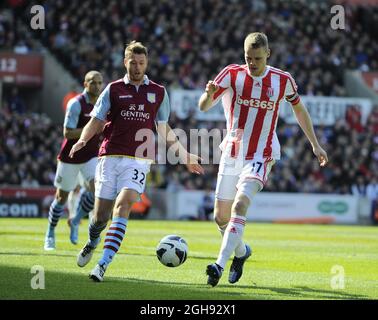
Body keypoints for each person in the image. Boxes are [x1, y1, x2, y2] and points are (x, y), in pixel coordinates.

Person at [198, 32, 328, 286]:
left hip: (262, 153)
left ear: (268, 54)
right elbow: (203, 106)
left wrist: (315, 144)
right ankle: (242, 252)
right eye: (248, 58)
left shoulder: (282, 80)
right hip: (232, 152)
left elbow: (299, 108)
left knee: (239, 207)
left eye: (257, 58)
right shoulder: (231, 74)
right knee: (220, 217)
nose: (252, 63)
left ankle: (218, 265)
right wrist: (209, 94)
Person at [69, 41, 203, 282]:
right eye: (133, 62)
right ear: (125, 62)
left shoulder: (159, 92)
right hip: (109, 157)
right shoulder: (113, 89)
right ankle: (92, 241)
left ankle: (102, 264)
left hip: (138, 160)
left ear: (147, 63)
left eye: (141, 63)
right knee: (100, 217)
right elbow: (97, 121)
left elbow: (163, 129)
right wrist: (82, 140)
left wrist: (184, 155)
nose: (137, 67)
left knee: (124, 204)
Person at [43, 70, 103, 250]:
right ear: (85, 84)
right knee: (61, 197)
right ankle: (50, 233)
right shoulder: (76, 104)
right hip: (70, 157)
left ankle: (76, 220)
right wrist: (91, 128)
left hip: (91, 155)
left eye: (100, 83)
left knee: (96, 189)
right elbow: (67, 133)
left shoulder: (102, 103)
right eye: (93, 82)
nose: (97, 86)